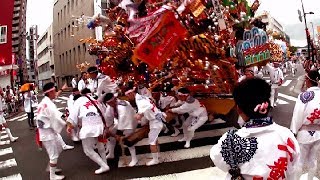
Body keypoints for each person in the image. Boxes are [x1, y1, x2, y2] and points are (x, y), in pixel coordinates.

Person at [210, 78, 300, 179]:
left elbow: (217, 158)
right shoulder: (286, 135)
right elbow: (293, 169)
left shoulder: (229, 140)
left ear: (238, 109)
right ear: (267, 105)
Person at [66, 88, 111, 174]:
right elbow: (103, 112)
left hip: (88, 126)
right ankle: (104, 163)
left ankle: (104, 166)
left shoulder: (78, 101)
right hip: (100, 125)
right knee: (100, 145)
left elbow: (73, 115)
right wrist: (105, 127)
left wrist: (69, 126)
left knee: (87, 150)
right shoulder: (95, 100)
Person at [290, 70, 320, 180]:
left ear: (308, 80)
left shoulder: (304, 95)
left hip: (304, 133)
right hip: (318, 134)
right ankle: (310, 178)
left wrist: (294, 130)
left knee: (300, 160)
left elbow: (298, 114)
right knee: (313, 159)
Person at [36, 82, 67, 180]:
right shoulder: (48, 104)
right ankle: (52, 176)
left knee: (58, 149)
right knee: (53, 155)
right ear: (50, 92)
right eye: (54, 91)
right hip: (47, 133)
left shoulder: (45, 102)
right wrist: (68, 124)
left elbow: (56, 114)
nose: (56, 93)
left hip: (47, 131)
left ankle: (51, 167)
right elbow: (56, 118)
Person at [126, 87, 163, 166]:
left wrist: (138, 115)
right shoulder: (142, 97)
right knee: (155, 139)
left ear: (131, 93)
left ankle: (155, 160)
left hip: (155, 121)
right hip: (155, 119)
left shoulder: (140, 101)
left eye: (128, 96)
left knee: (152, 141)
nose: (128, 98)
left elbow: (144, 109)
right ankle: (157, 154)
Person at [103, 93, 138, 167]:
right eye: (108, 103)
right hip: (120, 123)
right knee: (111, 133)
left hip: (130, 123)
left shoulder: (122, 106)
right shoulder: (111, 107)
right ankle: (111, 153)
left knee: (128, 140)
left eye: (110, 103)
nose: (109, 105)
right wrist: (108, 129)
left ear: (114, 99)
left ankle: (134, 158)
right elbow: (108, 118)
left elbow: (124, 119)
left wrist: (118, 135)